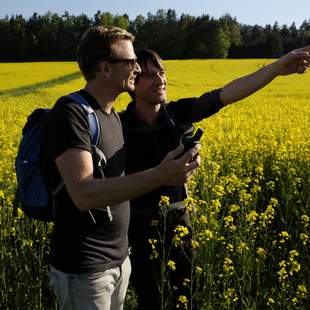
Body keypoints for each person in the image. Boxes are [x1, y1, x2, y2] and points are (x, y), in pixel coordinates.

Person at [120, 47, 310, 309]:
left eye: (162, 73)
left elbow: (225, 95)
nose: (160, 80)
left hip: (179, 221)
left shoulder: (178, 114)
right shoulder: (119, 126)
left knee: (189, 297)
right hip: (137, 228)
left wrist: (276, 68)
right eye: (150, 75)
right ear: (133, 82)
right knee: (151, 300)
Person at [42, 26, 200, 310]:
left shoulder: (113, 116)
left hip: (118, 262)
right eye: (130, 61)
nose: (137, 68)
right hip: (85, 269)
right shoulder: (71, 113)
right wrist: (162, 175)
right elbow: (84, 194)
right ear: (105, 67)